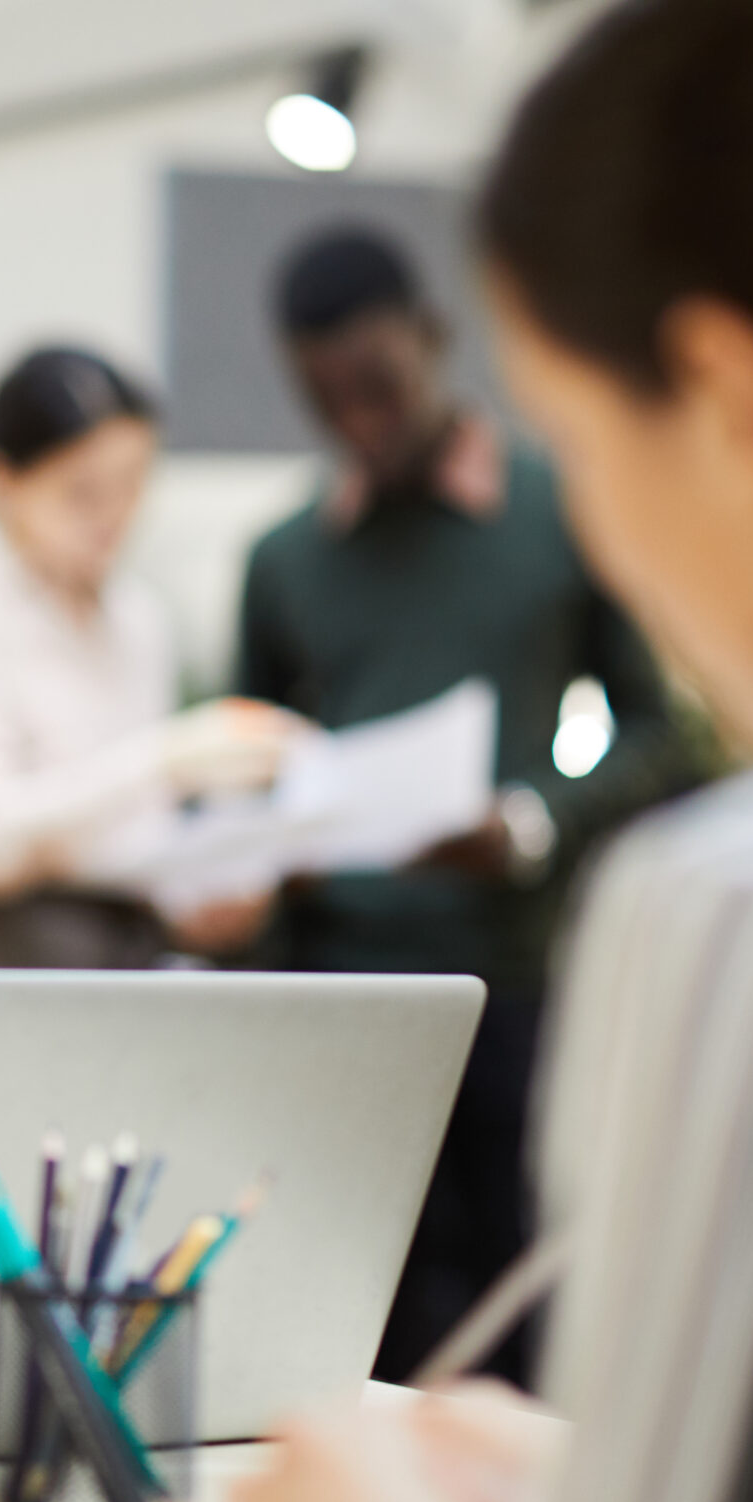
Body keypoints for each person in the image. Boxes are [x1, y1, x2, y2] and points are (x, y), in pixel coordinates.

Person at [149, 2, 753, 1502]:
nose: (593, 499)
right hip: (333, 970)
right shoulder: (292, 557)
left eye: (595, 441)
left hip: (507, 963)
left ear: (740, 410)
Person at [231, 226, 693, 1385]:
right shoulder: (284, 557)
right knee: (349, 1314)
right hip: (336, 997)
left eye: (376, 386)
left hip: (513, 985)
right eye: (323, 399)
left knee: (523, 1303)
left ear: (435, 343)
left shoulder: (558, 509)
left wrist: (533, 820)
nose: (357, 421)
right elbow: (245, 765)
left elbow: (656, 728)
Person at [0, 346, 301, 1040]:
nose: (115, 515)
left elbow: (129, 831)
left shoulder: (136, 617)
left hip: (124, 959)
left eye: (133, 485)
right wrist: (168, 758)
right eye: (82, 492)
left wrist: (201, 891)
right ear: (0, 478)